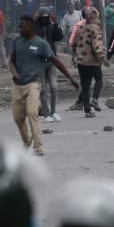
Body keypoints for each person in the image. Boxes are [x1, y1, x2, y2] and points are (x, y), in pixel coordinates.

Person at [9, 16, 77, 156]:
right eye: (19, 27)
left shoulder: (41, 44)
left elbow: (56, 62)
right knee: (18, 117)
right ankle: (27, 140)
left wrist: (71, 78)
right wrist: (15, 74)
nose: (20, 29)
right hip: (18, 85)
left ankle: (38, 147)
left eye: (23, 27)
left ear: (31, 28)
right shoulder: (17, 42)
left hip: (34, 83)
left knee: (32, 113)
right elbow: (11, 61)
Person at [71, 7, 108, 118]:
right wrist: (103, 58)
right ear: (93, 16)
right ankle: (95, 100)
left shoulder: (80, 27)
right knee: (99, 80)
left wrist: (74, 56)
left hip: (81, 61)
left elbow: (74, 43)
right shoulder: (95, 28)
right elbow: (97, 45)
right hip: (93, 61)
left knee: (85, 85)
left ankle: (87, 110)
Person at [35, 7, 65, 122]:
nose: (44, 18)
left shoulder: (52, 26)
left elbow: (59, 37)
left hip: (52, 61)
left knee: (54, 86)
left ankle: (54, 112)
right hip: (39, 62)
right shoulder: (35, 27)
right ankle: (46, 114)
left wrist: (56, 24)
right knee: (42, 89)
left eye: (46, 16)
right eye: (42, 16)